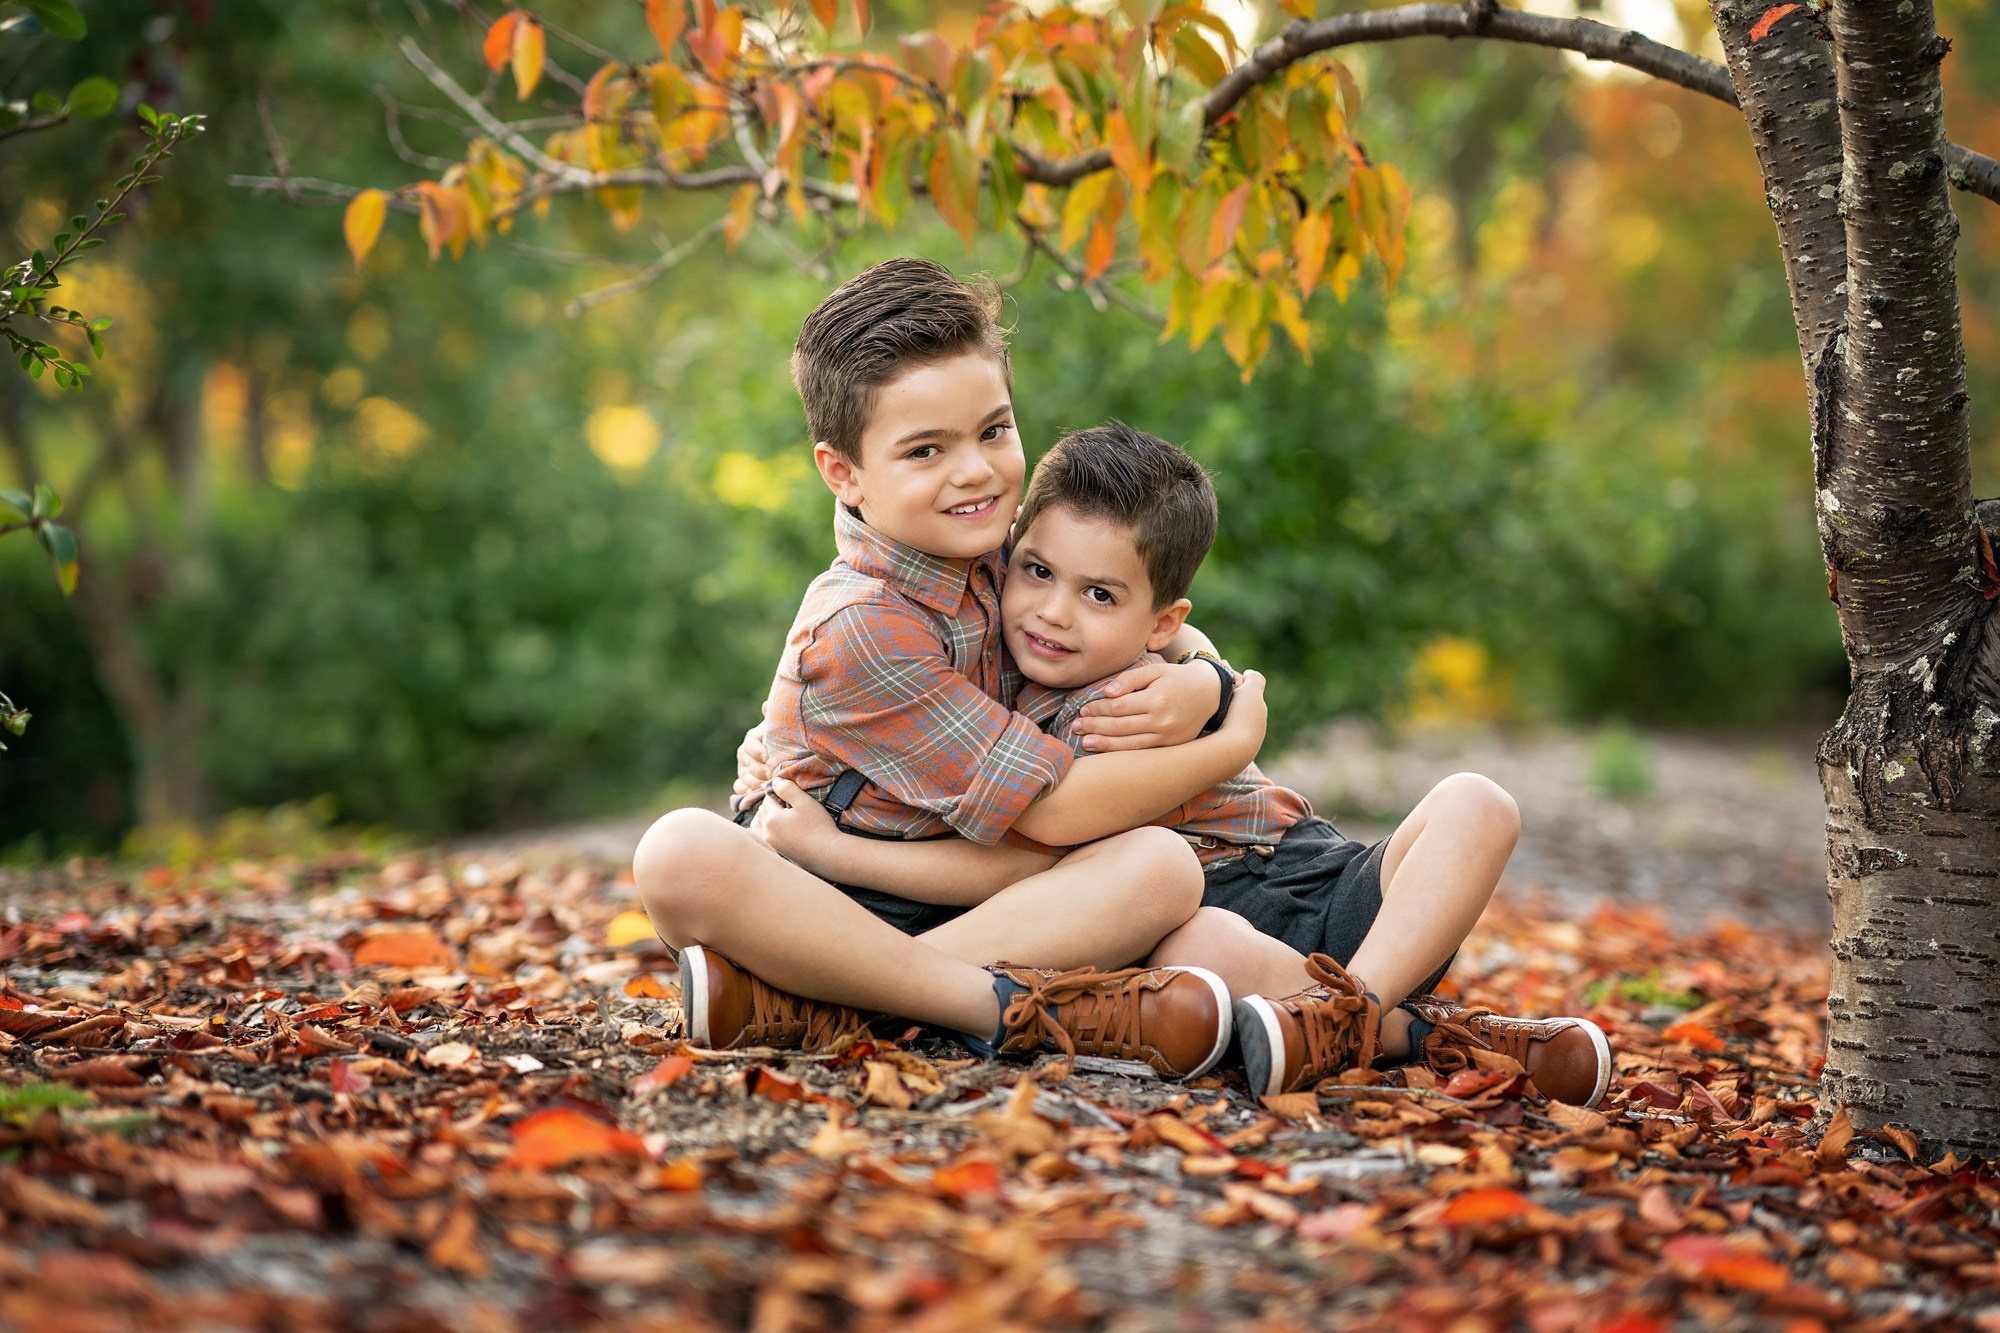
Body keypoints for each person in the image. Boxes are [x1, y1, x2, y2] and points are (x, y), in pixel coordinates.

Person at [754, 422, 1613, 1106]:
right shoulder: (996, 686)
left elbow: (1178, 663)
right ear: (1005, 562)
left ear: (1160, 620)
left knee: (1478, 800)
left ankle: (1353, 1015)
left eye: (1099, 595)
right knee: (1203, 951)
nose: (1052, 613)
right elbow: (1035, 846)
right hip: (1207, 916)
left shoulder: (1149, 684)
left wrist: (1205, 677)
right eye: (1037, 572)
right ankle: (1406, 1033)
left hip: (1323, 880)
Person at [632, 259, 1270, 1081]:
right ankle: (1003, 1008)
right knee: (678, 851)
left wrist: (1204, 673)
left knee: (1160, 865)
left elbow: (1139, 617)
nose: (975, 471)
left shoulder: (995, 549)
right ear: (845, 473)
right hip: (845, 892)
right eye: (927, 449)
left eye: (994, 432)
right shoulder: (860, 622)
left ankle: (824, 1006)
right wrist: (1234, 734)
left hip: (994, 878)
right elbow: (1056, 812)